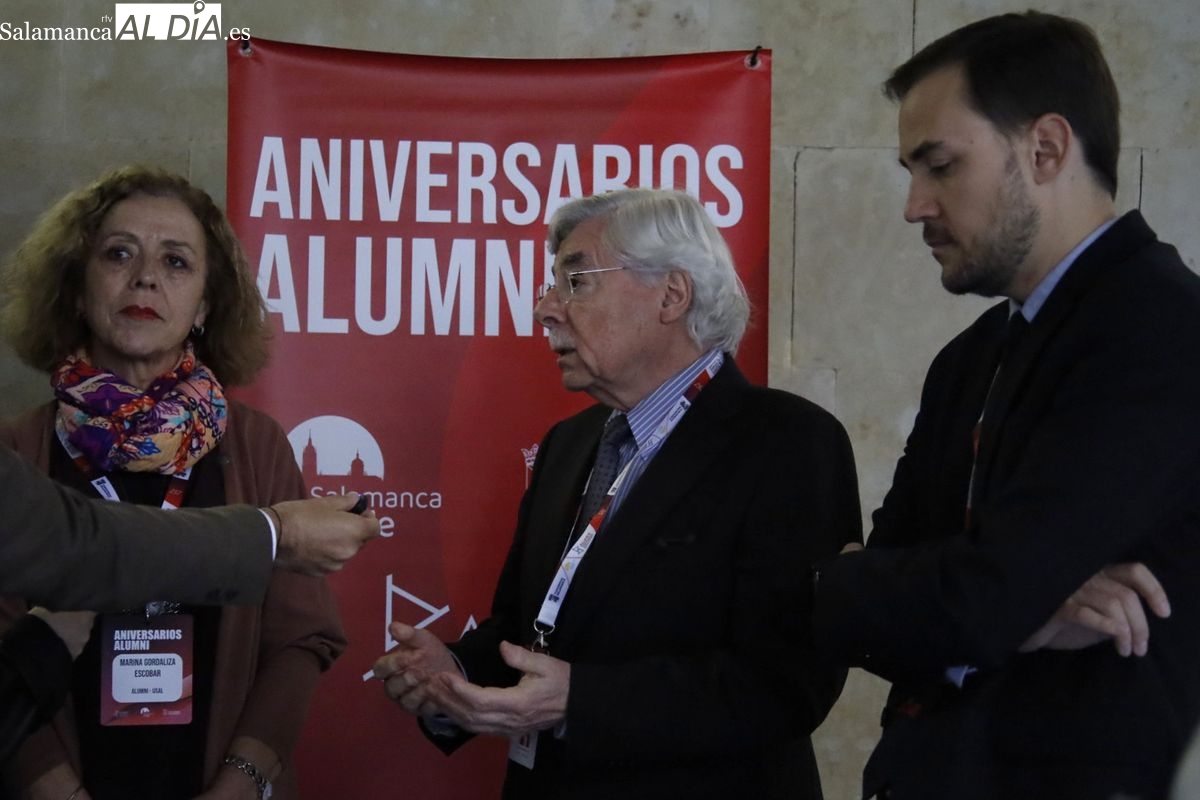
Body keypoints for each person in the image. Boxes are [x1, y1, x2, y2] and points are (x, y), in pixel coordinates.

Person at [809, 11, 1200, 799]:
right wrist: (1010, 607)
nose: (914, 205)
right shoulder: (971, 356)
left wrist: (866, 584)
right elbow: (883, 606)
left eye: (940, 166)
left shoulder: (1163, 328)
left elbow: (979, 595)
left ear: (1046, 149)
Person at [373, 188, 861, 799]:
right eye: (552, 285)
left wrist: (580, 701)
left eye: (576, 282)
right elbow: (529, 629)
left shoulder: (788, 442)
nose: (545, 309)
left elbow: (786, 682)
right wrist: (456, 673)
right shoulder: (567, 445)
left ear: (671, 295)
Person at [0, 166, 347, 800]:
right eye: (119, 253)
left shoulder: (259, 444)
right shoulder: (16, 449)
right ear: (76, 290)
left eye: (176, 261)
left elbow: (301, 638)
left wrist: (240, 784)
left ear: (206, 306)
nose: (145, 277)